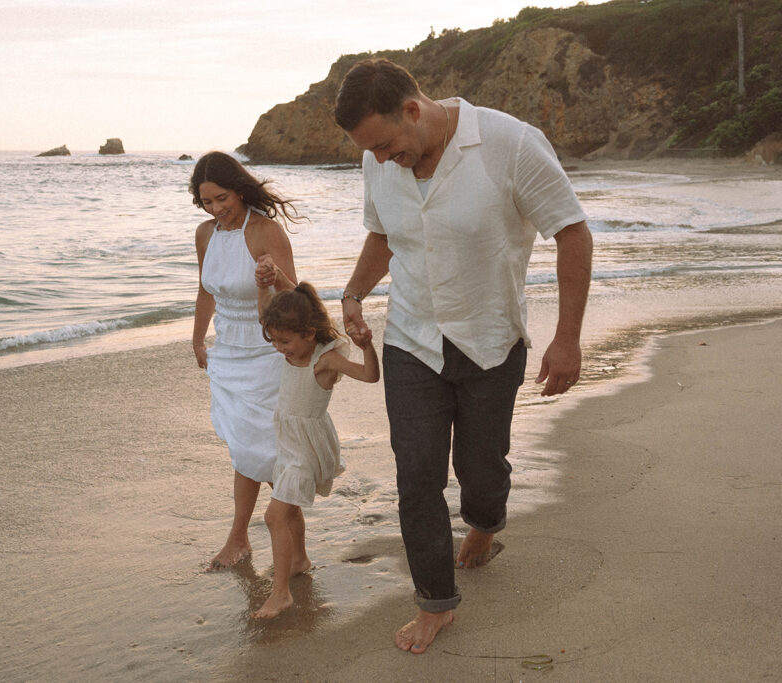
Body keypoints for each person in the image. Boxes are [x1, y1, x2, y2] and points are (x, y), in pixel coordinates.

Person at [333, 58, 593, 653]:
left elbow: (572, 231)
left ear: (413, 110)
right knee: (416, 475)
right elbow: (383, 236)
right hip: (411, 341)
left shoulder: (512, 143)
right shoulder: (380, 161)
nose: (377, 159)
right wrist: (353, 292)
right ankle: (435, 602)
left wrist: (567, 336)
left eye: (385, 145)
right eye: (368, 151)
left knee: (480, 466)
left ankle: (485, 521)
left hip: (490, 339)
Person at [190, 151, 303, 571]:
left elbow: (295, 298)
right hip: (227, 353)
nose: (217, 209)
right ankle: (241, 538)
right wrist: (198, 338)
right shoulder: (205, 234)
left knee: (271, 454)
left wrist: (273, 277)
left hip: (266, 351)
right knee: (243, 449)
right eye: (207, 202)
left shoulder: (264, 231)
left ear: (239, 190)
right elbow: (206, 291)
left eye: (222, 199)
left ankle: (294, 551)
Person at [252, 267, 380, 619]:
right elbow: (278, 306)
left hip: (307, 448)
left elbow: (370, 376)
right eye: (274, 342)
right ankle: (299, 559)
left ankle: (281, 594)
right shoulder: (294, 347)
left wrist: (367, 347)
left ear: (309, 334)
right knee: (289, 510)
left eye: (285, 342)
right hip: (289, 442)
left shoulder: (327, 360)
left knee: (274, 515)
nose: (280, 349)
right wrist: (269, 280)